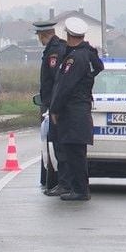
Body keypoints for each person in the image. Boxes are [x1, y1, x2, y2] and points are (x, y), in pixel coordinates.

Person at [50, 17, 104, 201]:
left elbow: (64, 86)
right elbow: (98, 68)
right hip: (80, 109)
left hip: (72, 111)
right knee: (75, 151)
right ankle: (78, 188)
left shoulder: (75, 58)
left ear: (69, 35)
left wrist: (54, 109)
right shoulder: (88, 54)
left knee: (74, 153)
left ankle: (80, 190)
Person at [33, 19, 70, 195]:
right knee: (59, 146)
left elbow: (57, 82)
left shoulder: (54, 51)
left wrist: (53, 107)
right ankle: (64, 183)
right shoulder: (58, 48)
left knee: (60, 147)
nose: (39, 39)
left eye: (39, 36)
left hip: (57, 107)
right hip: (57, 105)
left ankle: (64, 183)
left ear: (43, 35)